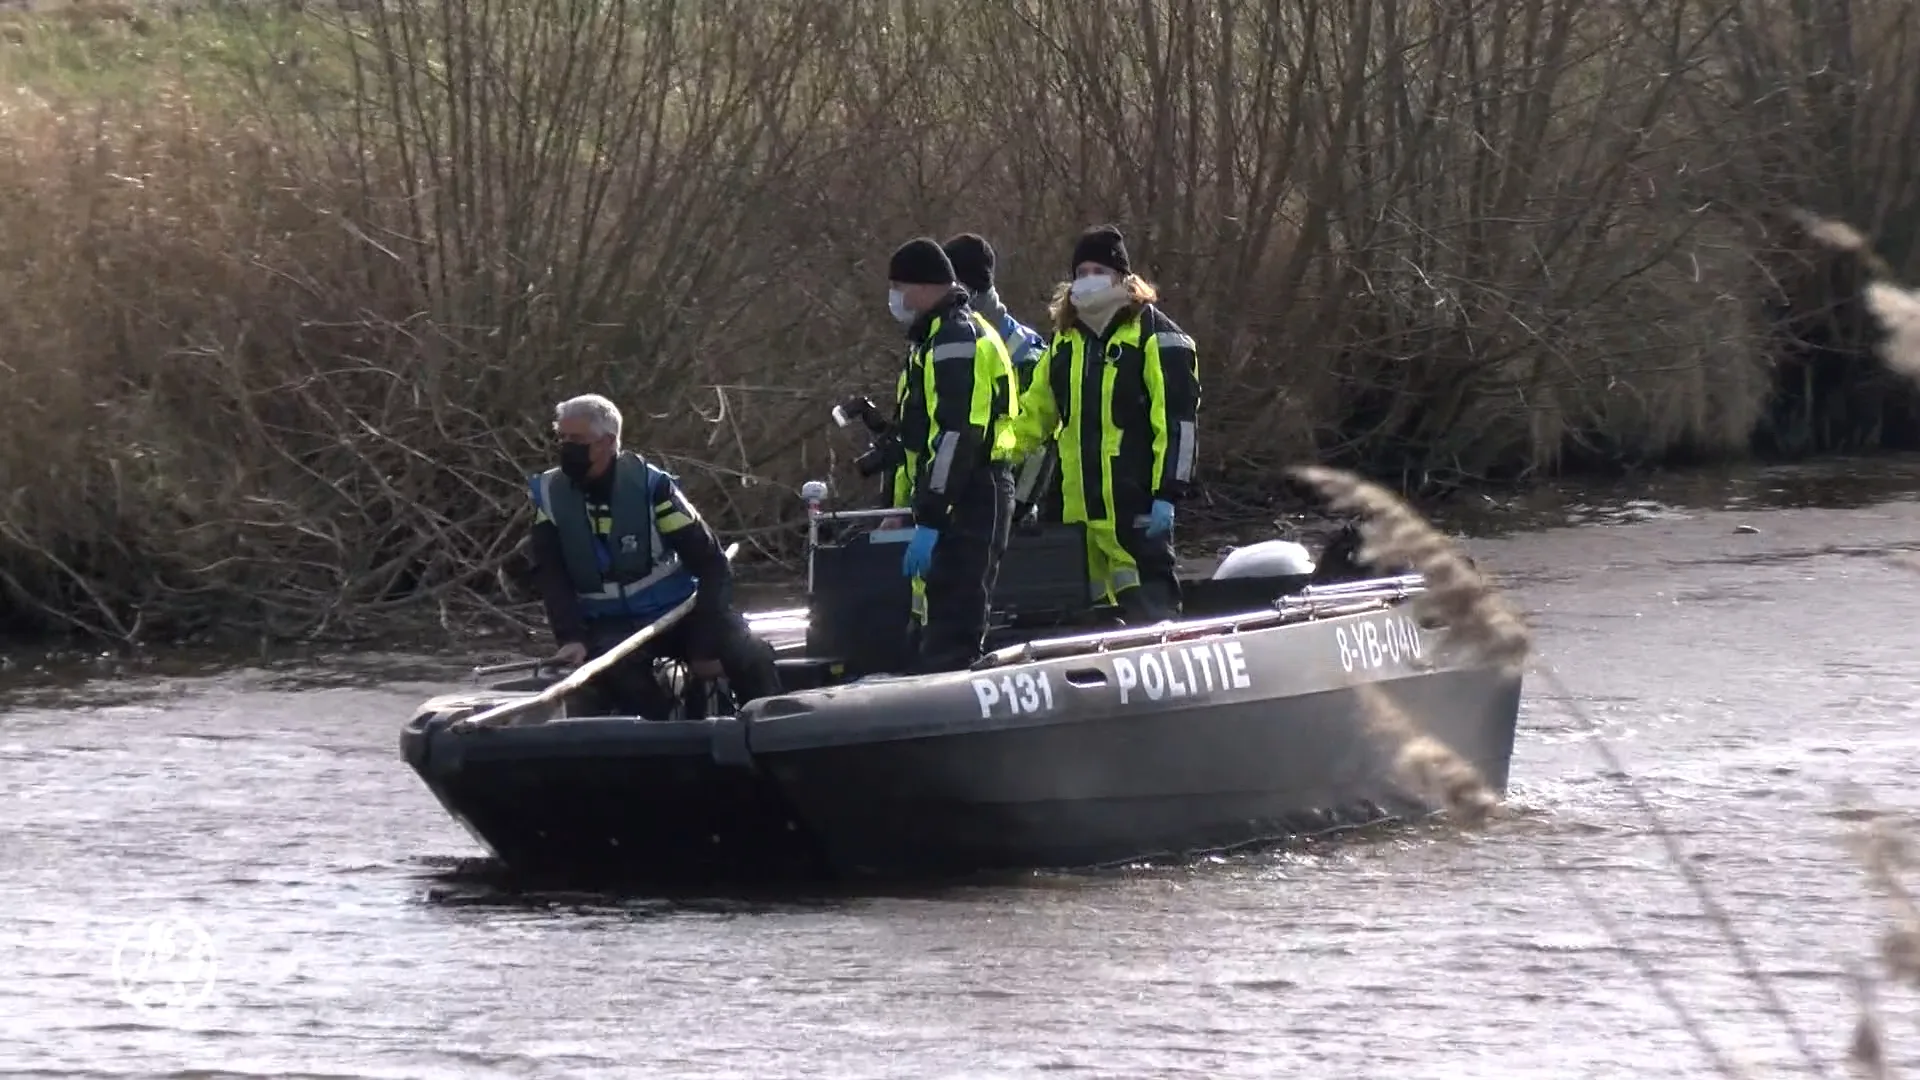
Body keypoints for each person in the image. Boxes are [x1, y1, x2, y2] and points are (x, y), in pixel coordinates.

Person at [526, 393, 781, 719]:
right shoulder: (550, 496)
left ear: (606, 442)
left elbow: (711, 564)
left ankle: (767, 728)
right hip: (611, 625)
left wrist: (703, 645)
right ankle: (663, 741)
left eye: (575, 439)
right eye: (561, 438)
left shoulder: (653, 489)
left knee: (749, 653)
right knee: (620, 677)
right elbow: (551, 574)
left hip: (678, 614)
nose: (564, 446)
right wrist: (571, 637)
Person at [1010, 224, 1200, 623]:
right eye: (1080, 273)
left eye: (1098, 271)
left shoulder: (1159, 338)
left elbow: (1177, 423)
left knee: (1149, 603)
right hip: (1075, 510)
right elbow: (1034, 417)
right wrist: (992, 452)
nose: (1087, 281)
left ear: (1122, 278)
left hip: (1134, 506)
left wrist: (1168, 492)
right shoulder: (1065, 342)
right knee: (1082, 609)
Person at [884, 236, 1022, 672]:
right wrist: (903, 506)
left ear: (924, 287)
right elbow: (915, 439)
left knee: (957, 617)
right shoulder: (933, 339)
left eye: (898, 286)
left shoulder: (955, 340)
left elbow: (957, 435)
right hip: (950, 494)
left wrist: (931, 512)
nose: (895, 298)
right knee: (933, 619)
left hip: (972, 492)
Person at [942, 231, 1061, 525]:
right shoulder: (946, 342)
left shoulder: (1024, 354)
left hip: (1003, 510)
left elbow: (1039, 443)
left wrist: (1015, 508)